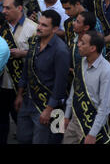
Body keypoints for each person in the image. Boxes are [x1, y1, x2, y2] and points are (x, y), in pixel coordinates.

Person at [14, 10, 71, 144]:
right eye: (39, 23)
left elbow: (61, 84)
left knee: (48, 140)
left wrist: (49, 109)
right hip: (28, 100)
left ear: (55, 29)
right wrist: (20, 94)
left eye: (44, 25)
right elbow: (26, 68)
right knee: (23, 138)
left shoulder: (61, 50)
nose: (39, 27)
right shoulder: (34, 41)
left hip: (49, 106)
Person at [0, 0, 37, 144]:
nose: (4, 11)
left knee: (23, 127)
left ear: (19, 8)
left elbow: (40, 54)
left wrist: (23, 53)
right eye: (3, 7)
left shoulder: (32, 28)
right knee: (0, 125)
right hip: (0, 85)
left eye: (8, 8)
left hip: (21, 87)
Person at [63, 31, 110, 144]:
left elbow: (105, 106)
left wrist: (93, 134)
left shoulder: (107, 72)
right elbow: (74, 92)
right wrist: (67, 116)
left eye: (82, 42)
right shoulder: (81, 63)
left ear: (92, 48)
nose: (78, 44)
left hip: (92, 125)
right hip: (75, 120)